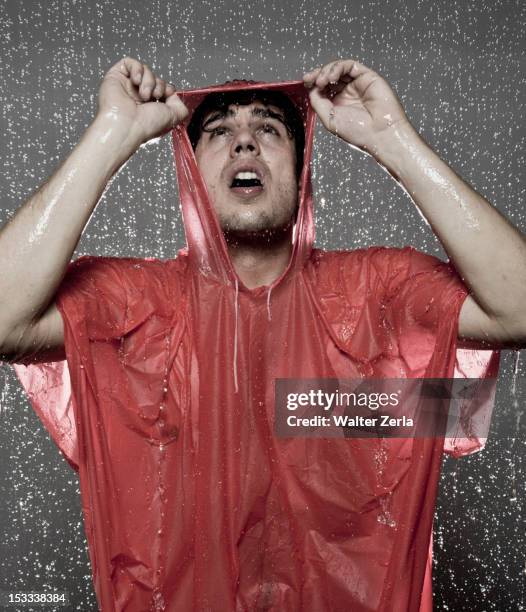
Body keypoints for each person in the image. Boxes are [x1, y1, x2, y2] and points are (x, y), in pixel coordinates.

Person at [0, 57, 524, 611]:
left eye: (268, 129)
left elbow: (514, 315)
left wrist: (394, 142)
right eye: (220, 131)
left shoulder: (376, 290)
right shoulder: (139, 302)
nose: (244, 144)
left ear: (302, 173)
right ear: (189, 167)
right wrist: (110, 136)